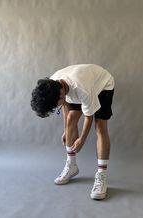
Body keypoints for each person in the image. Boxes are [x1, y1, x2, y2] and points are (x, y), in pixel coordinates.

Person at [30, 64, 114, 200]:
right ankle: (72, 166)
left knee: (100, 127)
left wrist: (82, 139)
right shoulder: (53, 84)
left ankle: (102, 175)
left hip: (103, 85)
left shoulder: (82, 89)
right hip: (78, 86)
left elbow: (89, 115)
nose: (56, 106)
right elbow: (64, 106)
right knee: (70, 119)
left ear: (62, 94)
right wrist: (66, 130)